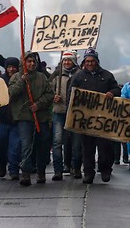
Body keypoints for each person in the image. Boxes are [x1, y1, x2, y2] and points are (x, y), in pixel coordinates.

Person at [69, 47, 120, 184]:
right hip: (85, 119)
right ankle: (88, 173)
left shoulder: (107, 75)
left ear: (97, 61)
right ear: (84, 62)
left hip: (103, 119)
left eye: (92, 61)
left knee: (104, 147)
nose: (90, 64)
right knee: (87, 149)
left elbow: (117, 89)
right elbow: (71, 94)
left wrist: (112, 93)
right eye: (87, 61)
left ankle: (105, 169)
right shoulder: (78, 76)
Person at [8, 51, 54, 186]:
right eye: (29, 61)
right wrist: (23, 81)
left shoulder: (42, 77)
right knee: (26, 145)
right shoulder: (16, 77)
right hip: (24, 116)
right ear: (23, 63)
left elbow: (50, 94)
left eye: (34, 61)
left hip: (41, 116)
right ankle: (26, 172)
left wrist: (38, 105)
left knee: (43, 144)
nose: (32, 64)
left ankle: (41, 171)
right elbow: (11, 94)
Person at [48, 50, 80, 180]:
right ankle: (58, 170)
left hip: (75, 113)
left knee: (76, 143)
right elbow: (47, 89)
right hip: (59, 112)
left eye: (69, 60)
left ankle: (76, 167)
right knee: (57, 142)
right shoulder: (57, 74)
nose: (67, 62)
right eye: (65, 60)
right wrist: (52, 97)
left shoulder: (79, 74)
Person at [0, 57, 21, 180]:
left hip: (17, 120)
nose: (11, 69)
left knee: (14, 147)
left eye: (13, 67)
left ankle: (13, 169)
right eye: (9, 67)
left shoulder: (22, 80)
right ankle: (2, 163)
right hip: (1, 120)